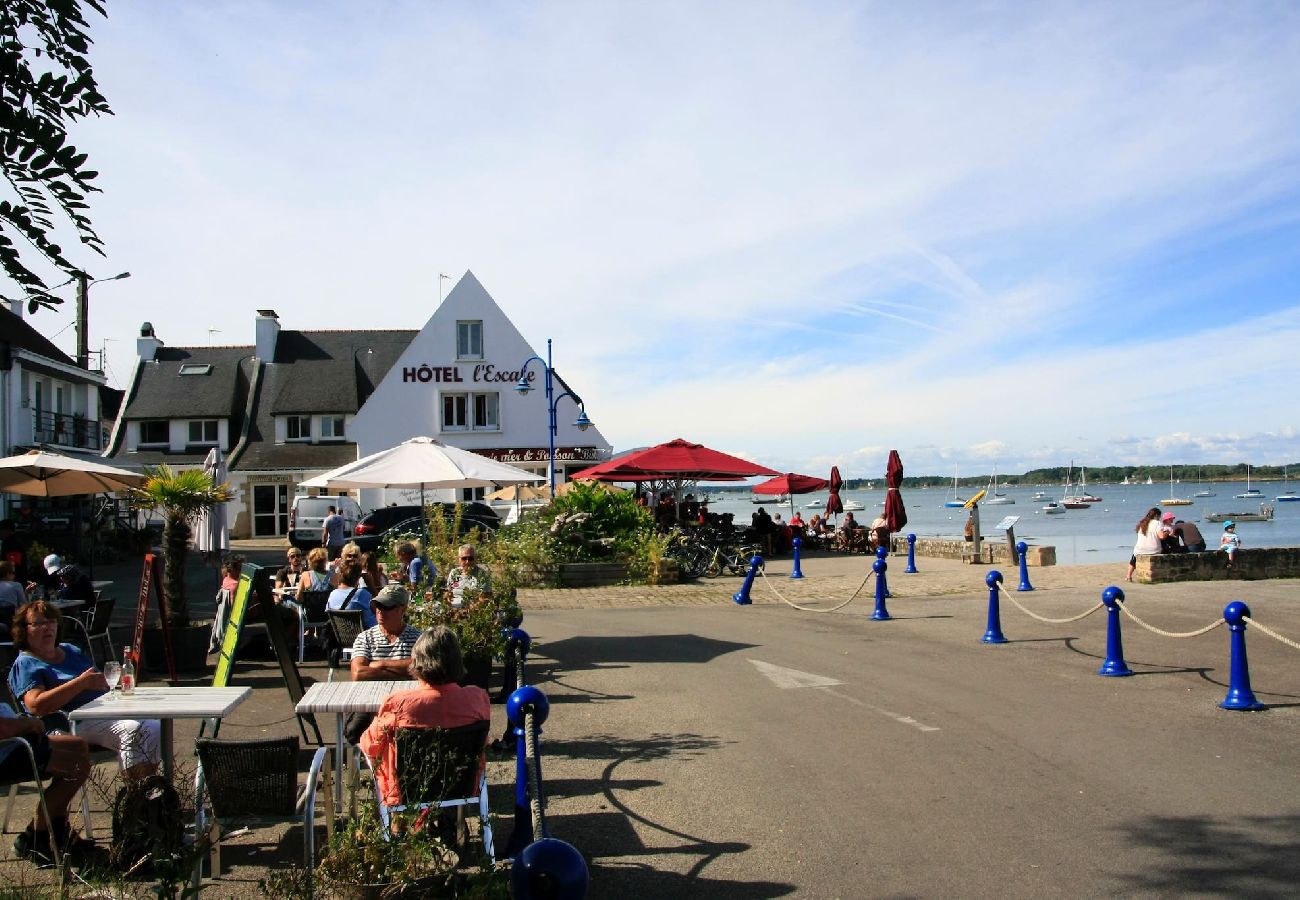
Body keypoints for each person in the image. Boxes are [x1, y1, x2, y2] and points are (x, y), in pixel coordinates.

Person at [8, 601, 161, 779]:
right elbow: (36, 705)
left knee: (154, 725)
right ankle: (136, 795)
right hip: (69, 721)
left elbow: (96, 681)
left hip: (102, 711)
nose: (46, 627)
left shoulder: (70, 650)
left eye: (51, 622)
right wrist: (80, 684)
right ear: (24, 630)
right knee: (134, 729)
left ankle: (146, 788)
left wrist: (107, 682)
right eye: (38, 623)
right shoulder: (27, 663)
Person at [359, 626, 491, 811]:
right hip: (462, 786)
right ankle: (448, 817)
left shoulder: (398, 704)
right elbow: (482, 743)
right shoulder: (477, 698)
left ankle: (402, 825)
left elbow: (369, 746)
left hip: (408, 791)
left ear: (417, 662)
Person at [0, 704, 94, 865]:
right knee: (77, 765)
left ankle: (56, 830)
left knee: (77, 745)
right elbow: (3, 728)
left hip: (14, 742)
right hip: (6, 752)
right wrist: (29, 724)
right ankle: (36, 836)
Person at [345, 584, 422, 743]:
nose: (379, 610)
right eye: (377, 605)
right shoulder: (365, 637)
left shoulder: (418, 638)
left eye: (386, 606)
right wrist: (404, 669)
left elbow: (422, 668)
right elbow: (358, 674)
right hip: (368, 701)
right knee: (352, 730)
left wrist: (377, 665)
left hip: (404, 703)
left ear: (402, 610)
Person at [328, 558, 375, 629]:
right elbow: (380, 608)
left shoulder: (333, 594)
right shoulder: (361, 594)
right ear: (359, 576)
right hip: (366, 634)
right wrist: (371, 585)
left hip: (342, 636)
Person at [444, 544, 492, 608]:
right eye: (464, 558)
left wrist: (467, 610)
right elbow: (448, 592)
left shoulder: (482, 575)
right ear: (459, 559)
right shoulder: (454, 573)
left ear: (475, 559)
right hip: (453, 607)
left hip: (471, 608)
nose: (467, 561)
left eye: (471, 558)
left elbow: (485, 598)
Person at [1127, 507, 1163, 582]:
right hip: (1154, 550)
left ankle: (1128, 576)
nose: (1160, 518)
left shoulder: (1142, 523)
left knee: (1133, 558)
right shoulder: (1158, 523)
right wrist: (1166, 533)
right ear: (1157, 515)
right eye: (1160, 516)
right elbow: (1161, 536)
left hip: (1139, 549)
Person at [0, 559, 27, 639]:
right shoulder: (16, 585)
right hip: (11, 623)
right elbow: (24, 606)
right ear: (8, 573)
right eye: (13, 573)